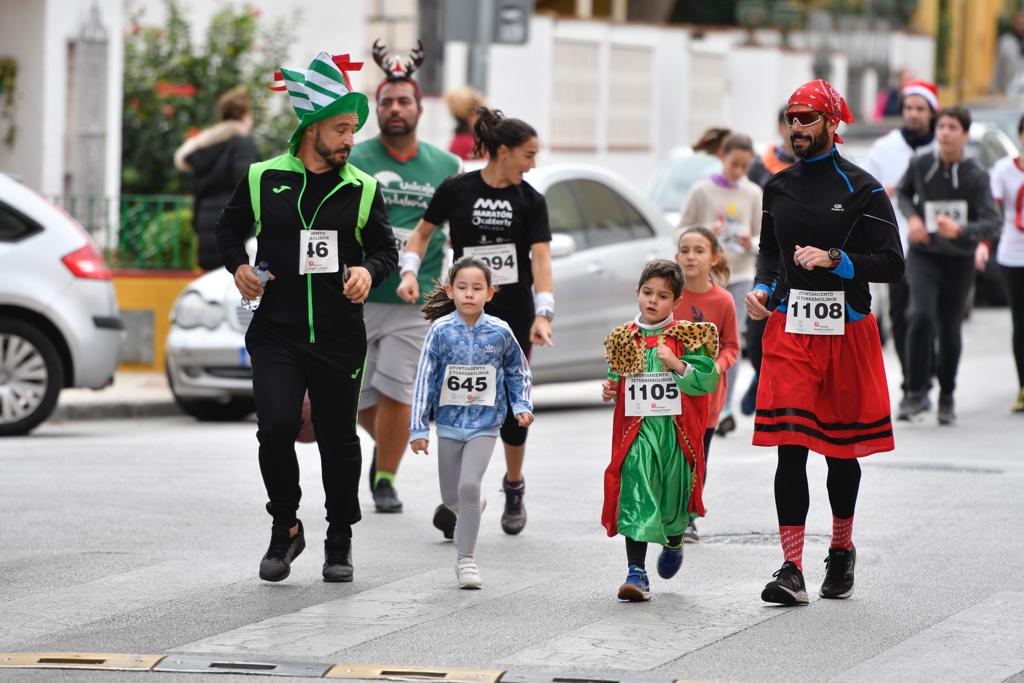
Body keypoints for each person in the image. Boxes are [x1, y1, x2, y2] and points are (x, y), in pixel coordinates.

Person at [215, 50, 398, 583]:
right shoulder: (263, 177)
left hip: (339, 334)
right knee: (275, 427)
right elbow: (228, 231)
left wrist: (368, 272)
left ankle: (338, 535)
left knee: (339, 437)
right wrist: (239, 267)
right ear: (312, 128)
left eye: (353, 131)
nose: (349, 140)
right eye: (341, 129)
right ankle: (285, 528)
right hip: (275, 329)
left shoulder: (361, 187)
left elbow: (384, 249)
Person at [746, 79, 904, 605]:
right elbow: (770, 252)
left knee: (839, 451)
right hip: (791, 330)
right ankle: (791, 566)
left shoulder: (863, 188)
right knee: (789, 448)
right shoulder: (778, 186)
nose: (796, 128)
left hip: (848, 329)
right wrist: (764, 288)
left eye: (807, 118)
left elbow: (894, 265)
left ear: (832, 125)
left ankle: (840, 549)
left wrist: (839, 260)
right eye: (791, 118)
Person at [399, 107, 553, 538]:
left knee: (508, 402)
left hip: (513, 311)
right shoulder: (457, 188)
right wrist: (409, 270)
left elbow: (540, 259)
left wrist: (544, 314)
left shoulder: (530, 200)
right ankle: (463, 494)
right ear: (502, 151)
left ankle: (513, 485)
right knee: (461, 395)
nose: (533, 164)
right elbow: (422, 233)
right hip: (464, 309)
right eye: (528, 154)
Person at [348, 41, 462, 513]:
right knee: (356, 397)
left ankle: (385, 478)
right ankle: (390, 444)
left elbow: (457, 230)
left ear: (420, 107)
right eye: (386, 102)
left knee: (397, 390)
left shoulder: (446, 165)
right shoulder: (353, 157)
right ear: (377, 109)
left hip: (415, 299)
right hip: (356, 294)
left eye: (404, 101)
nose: (395, 109)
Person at [410, 257, 534, 589]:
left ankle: (466, 561)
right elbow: (424, 378)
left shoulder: (500, 331)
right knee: (453, 497)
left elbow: (516, 370)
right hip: (449, 424)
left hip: (485, 424)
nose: (469, 294)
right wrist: (419, 427)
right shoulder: (440, 331)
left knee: (468, 486)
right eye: (462, 288)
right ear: (450, 290)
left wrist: (521, 405)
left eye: (477, 288)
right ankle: (471, 506)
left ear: (490, 293)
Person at [600, 259, 719, 601]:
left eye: (663, 296)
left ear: (676, 301)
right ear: (636, 293)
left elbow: (706, 380)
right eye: (647, 293)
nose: (653, 301)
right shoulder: (624, 338)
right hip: (636, 435)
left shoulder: (690, 336)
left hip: (675, 435)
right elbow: (616, 380)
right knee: (635, 490)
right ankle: (636, 573)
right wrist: (610, 389)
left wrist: (678, 364)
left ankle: (675, 537)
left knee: (671, 497)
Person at [896, 106, 1001, 424]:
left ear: (965, 135)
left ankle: (947, 395)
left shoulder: (976, 175)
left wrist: (962, 230)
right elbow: (903, 193)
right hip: (924, 254)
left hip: (959, 259)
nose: (944, 132)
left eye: (952, 127)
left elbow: (993, 222)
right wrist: (913, 218)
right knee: (920, 316)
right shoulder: (920, 163)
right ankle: (914, 393)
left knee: (950, 327)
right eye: (940, 126)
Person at [864, 79, 939, 408]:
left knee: (926, 317)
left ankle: (923, 379)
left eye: (920, 109)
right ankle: (913, 382)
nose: (912, 114)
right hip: (896, 247)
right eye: (908, 108)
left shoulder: (942, 147)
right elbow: (865, 193)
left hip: (938, 250)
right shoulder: (885, 148)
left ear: (932, 113)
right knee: (901, 316)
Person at [679, 133, 760, 437]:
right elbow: (682, 227)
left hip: (738, 274)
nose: (738, 171)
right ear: (722, 157)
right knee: (699, 336)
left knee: (731, 338)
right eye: (733, 164)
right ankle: (693, 392)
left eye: (744, 166)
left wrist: (748, 241)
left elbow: (763, 236)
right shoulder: (702, 190)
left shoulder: (753, 193)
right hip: (704, 278)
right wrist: (703, 233)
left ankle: (723, 404)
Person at [672, 227, 739, 543]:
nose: (690, 256)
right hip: (670, 394)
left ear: (714, 259)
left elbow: (732, 347)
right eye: (684, 250)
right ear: (676, 257)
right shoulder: (668, 296)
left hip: (707, 396)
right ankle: (667, 511)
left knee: (698, 456)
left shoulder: (723, 301)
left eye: (698, 250)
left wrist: (716, 367)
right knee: (669, 453)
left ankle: (688, 517)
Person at [743, 109, 798, 418]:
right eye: (791, 122)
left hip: (801, 262)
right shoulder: (761, 167)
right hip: (766, 253)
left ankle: (778, 393)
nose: (796, 130)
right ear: (781, 127)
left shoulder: (817, 170)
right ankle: (759, 372)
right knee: (756, 331)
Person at [174, 87, 260, 270]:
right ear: (245, 115)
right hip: (234, 227)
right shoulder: (243, 144)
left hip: (207, 225)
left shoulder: (204, 148)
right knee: (237, 289)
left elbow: (197, 192)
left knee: (213, 285)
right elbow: (246, 185)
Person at [984, 113, 1024, 413]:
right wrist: (983, 243)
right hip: (1013, 255)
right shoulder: (1002, 170)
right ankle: (1023, 386)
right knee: (1020, 322)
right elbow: (992, 211)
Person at [445, 87, 486, 160]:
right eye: (478, 113)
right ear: (470, 115)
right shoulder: (468, 143)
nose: (481, 117)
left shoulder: (460, 140)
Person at [993, 12, 1024, 95]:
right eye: (1019, 23)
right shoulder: (1005, 42)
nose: (1021, 26)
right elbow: (998, 67)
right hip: (1008, 92)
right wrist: (996, 88)